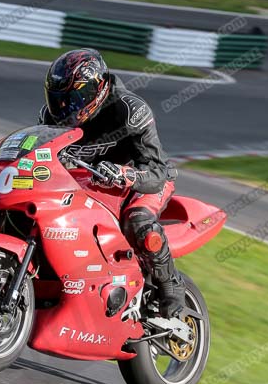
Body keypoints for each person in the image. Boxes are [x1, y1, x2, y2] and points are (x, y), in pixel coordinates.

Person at [38, 48, 185, 318]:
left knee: (137, 219)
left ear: (97, 88)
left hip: (145, 181)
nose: (65, 109)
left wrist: (126, 176)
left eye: (74, 99)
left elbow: (156, 170)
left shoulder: (130, 111)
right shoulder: (50, 118)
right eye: (59, 100)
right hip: (92, 184)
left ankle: (170, 286)